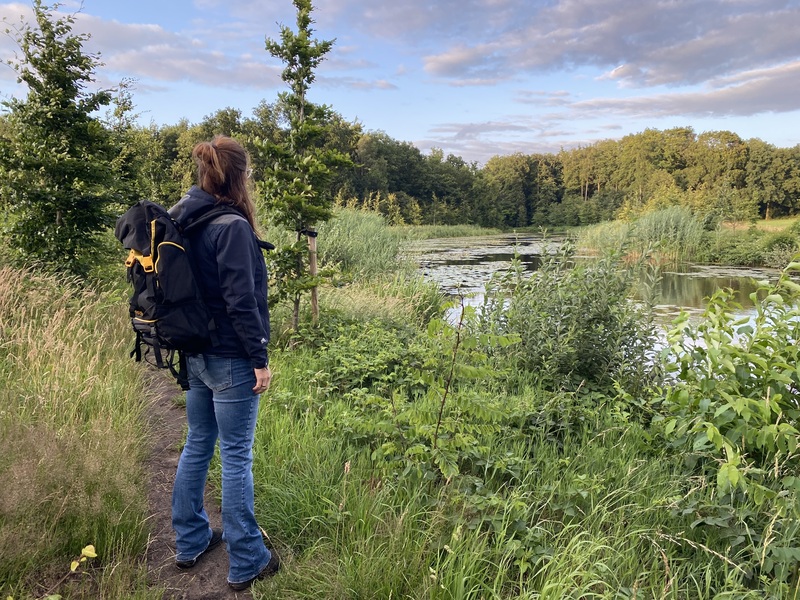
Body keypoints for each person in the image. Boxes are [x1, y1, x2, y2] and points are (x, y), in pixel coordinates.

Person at [168, 135, 279, 591]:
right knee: (235, 455)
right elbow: (241, 300)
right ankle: (248, 557)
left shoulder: (184, 216)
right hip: (230, 357)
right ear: (239, 176)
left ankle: (191, 539)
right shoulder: (230, 225)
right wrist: (259, 358)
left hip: (194, 352)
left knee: (197, 442)